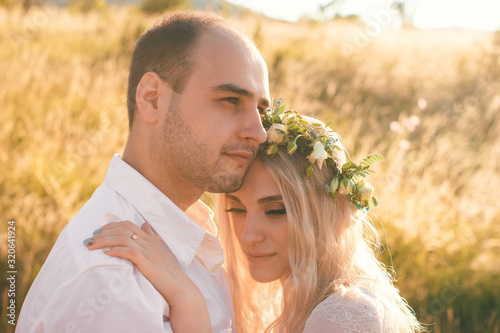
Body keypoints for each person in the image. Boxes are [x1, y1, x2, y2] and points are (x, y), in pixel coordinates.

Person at [17, 11, 270, 332]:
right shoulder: (112, 282)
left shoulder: (187, 233)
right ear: (152, 98)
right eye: (230, 100)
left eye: (261, 110)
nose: (258, 132)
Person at [86, 103, 423, 332]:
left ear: (331, 211)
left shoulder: (347, 316)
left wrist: (185, 297)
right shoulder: (302, 300)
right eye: (237, 210)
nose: (248, 236)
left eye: (276, 210)